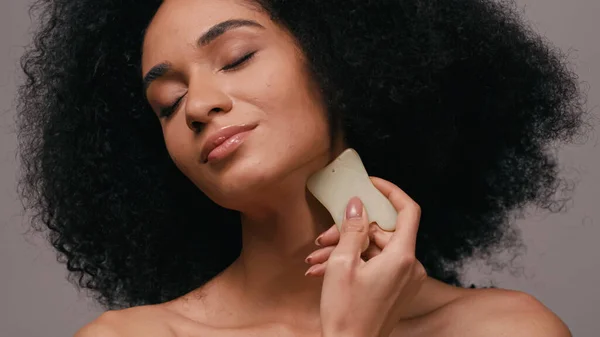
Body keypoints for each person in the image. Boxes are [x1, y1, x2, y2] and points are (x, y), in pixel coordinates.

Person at [15, 0, 587, 336]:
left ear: (342, 57)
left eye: (236, 58)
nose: (197, 105)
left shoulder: (507, 330)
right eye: (167, 102)